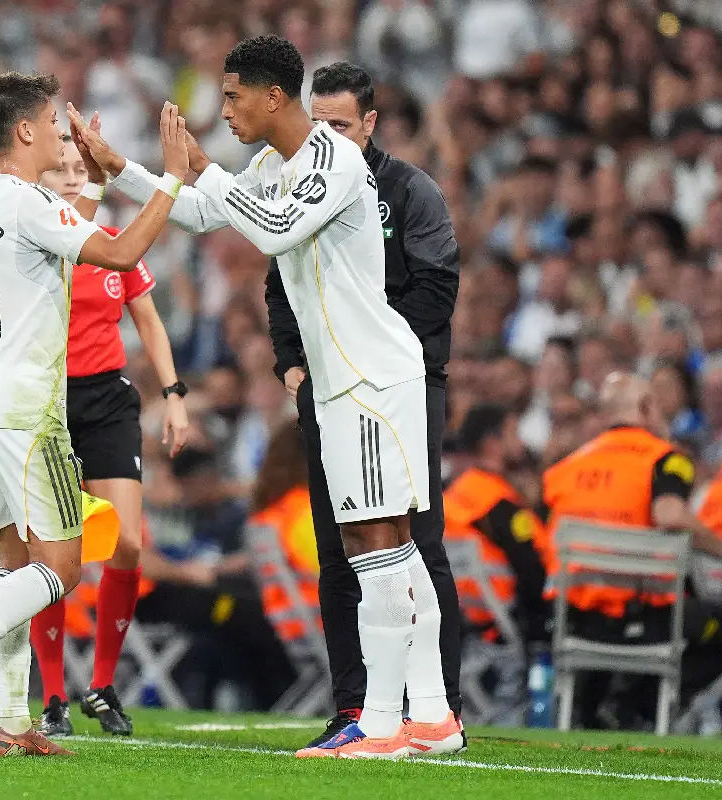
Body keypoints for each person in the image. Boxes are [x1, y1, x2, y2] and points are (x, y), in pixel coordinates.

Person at [74, 36, 461, 758]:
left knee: (376, 544)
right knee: (384, 547)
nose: (222, 111)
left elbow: (274, 228)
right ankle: (432, 716)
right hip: (349, 380)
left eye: (232, 97)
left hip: (371, 377)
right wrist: (122, 169)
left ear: (273, 96)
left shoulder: (334, 160)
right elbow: (199, 214)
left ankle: (383, 722)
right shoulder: (273, 165)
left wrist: (205, 172)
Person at [0, 71, 189, 759]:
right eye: (53, 121)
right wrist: (168, 180)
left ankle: (14, 723)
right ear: (23, 130)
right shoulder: (26, 202)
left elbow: (66, 230)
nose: (62, 131)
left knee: (14, 564)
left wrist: (100, 181)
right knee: (66, 562)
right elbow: (117, 250)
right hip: (23, 411)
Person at [264, 61, 464, 748]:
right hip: (328, 383)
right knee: (337, 547)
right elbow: (280, 284)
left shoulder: (409, 192)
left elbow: (437, 292)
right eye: (316, 122)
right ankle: (355, 708)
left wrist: (365, 345)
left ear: (371, 123)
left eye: (340, 125)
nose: (325, 136)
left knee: (412, 541)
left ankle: (435, 704)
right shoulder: (298, 183)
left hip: (401, 382)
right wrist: (292, 364)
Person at [29, 131, 190, 737]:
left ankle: (100, 684)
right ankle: (50, 698)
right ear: (40, 179)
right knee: (56, 553)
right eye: (60, 169)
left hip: (106, 398)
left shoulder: (119, 247)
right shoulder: (43, 243)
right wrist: (95, 186)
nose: (71, 178)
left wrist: (173, 395)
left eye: (80, 169)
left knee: (125, 544)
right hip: (48, 404)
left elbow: (146, 319)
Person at [541, 373, 722, 729]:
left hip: (573, 618)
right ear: (645, 408)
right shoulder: (665, 459)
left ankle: (603, 707)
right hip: (644, 622)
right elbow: (669, 513)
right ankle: (636, 704)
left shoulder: (565, 469)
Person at [444, 404, 549, 648]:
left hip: (462, 618)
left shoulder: (455, 494)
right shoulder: (499, 505)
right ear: (492, 443)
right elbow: (534, 570)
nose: (520, 442)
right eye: (513, 433)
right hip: (501, 623)